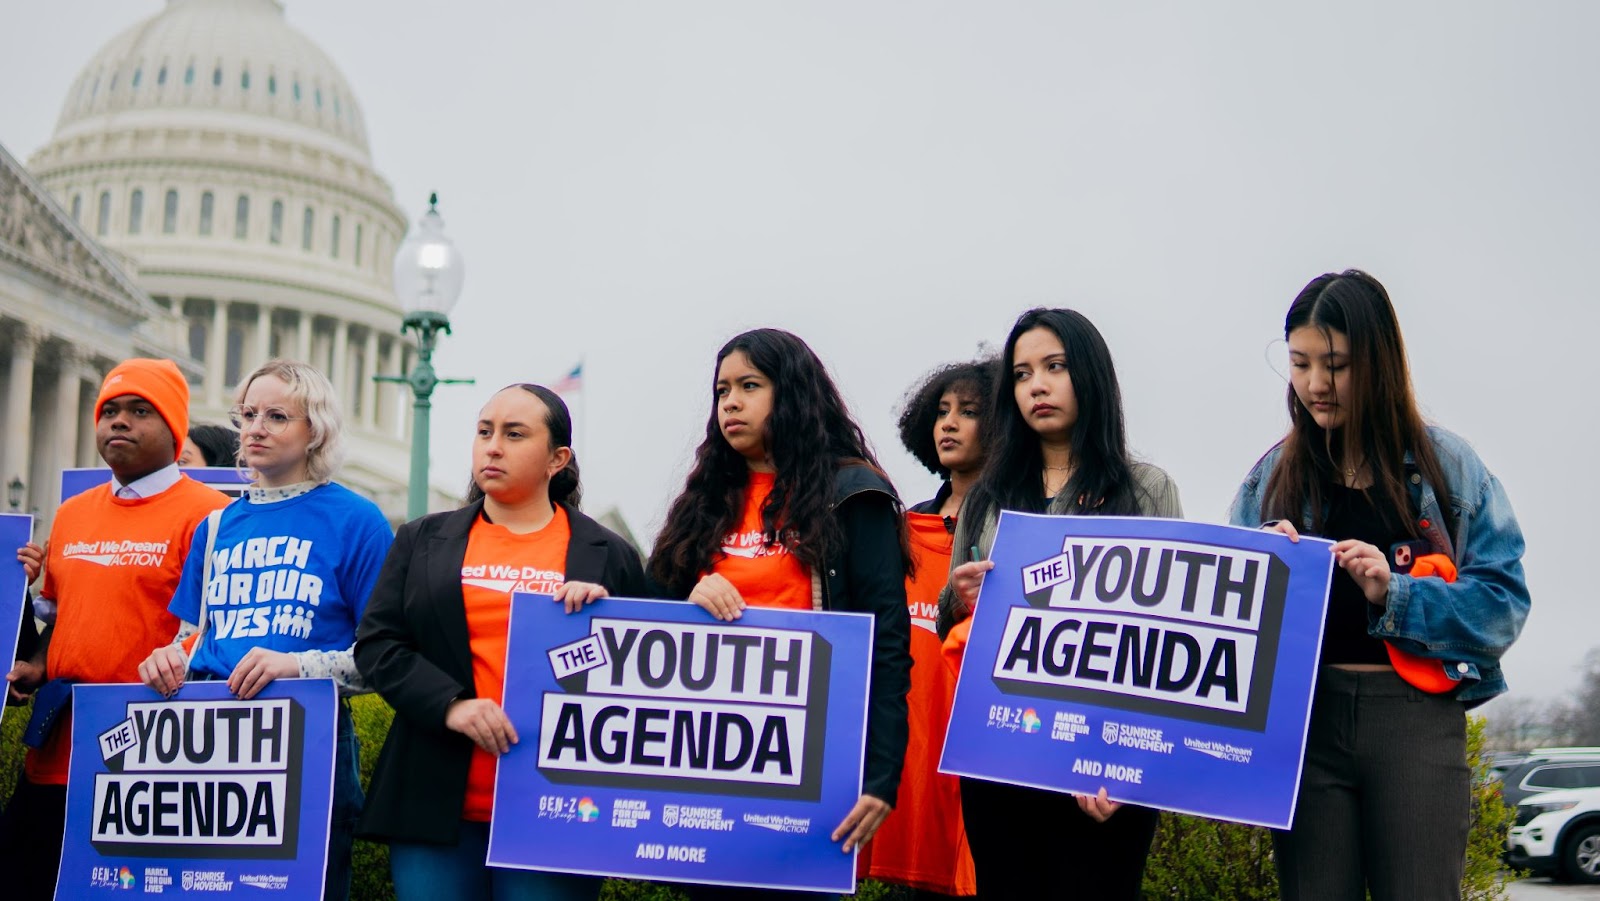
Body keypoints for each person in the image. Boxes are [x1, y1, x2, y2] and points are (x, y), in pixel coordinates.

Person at [1228, 269, 1530, 900]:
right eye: (1300, 363)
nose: (1314, 384)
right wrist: (1261, 571)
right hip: (1304, 724)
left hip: (1415, 719)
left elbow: (1503, 606)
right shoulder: (1269, 478)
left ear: (1379, 362)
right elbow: (1228, 625)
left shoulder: (1450, 468)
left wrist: (1395, 593)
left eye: (1334, 364)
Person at [649, 328, 914, 901]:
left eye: (749, 386)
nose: (731, 404)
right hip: (708, 762)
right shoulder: (702, 502)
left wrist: (880, 777)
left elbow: (889, 645)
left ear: (791, 394)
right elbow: (646, 616)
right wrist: (691, 592)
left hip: (809, 765)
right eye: (722, 391)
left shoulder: (853, 494)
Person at [355, 384, 648, 901]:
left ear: (557, 459)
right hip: (435, 800)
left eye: (514, 435)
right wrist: (451, 705)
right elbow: (378, 645)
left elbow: (643, 675)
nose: (492, 447)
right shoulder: (422, 539)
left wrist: (605, 621)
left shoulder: (608, 555)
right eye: (485, 431)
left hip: (557, 808)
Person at [937, 308, 1181, 900]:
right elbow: (949, 620)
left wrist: (1126, 769)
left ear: (1091, 375)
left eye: (1055, 367)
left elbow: (1166, 637)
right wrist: (960, 595)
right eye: (1022, 374)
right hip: (1001, 753)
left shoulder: (1145, 488)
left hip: (1103, 767)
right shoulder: (988, 496)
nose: (1037, 386)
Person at [137, 359, 393, 901]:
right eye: (248, 414)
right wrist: (167, 658)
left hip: (308, 739)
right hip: (207, 742)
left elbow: (383, 656)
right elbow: (192, 636)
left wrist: (296, 666)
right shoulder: (216, 525)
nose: (255, 428)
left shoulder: (358, 520)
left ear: (315, 431)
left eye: (277, 416)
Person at [1, 359, 230, 901]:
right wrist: (35, 663)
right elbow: (58, 618)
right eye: (109, 411)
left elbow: (214, 630)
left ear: (174, 428)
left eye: (138, 411)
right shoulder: (74, 513)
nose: (118, 422)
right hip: (54, 755)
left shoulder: (212, 515)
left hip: (146, 766)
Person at [859, 358, 997, 898]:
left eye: (968, 412)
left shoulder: (1018, 525)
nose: (949, 423)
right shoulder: (899, 529)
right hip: (909, 776)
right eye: (941, 412)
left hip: (979, 775)